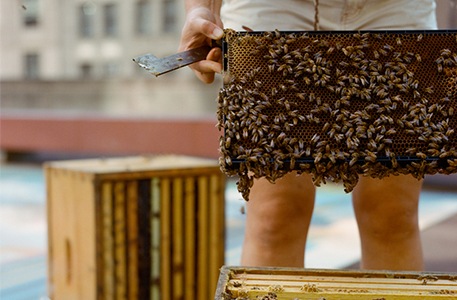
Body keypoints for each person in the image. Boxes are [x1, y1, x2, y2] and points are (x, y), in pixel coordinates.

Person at [179, 0, 437, 271]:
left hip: (390, 8)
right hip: (272, 8)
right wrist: (201, 9)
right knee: (275, 216)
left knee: (392, 215)